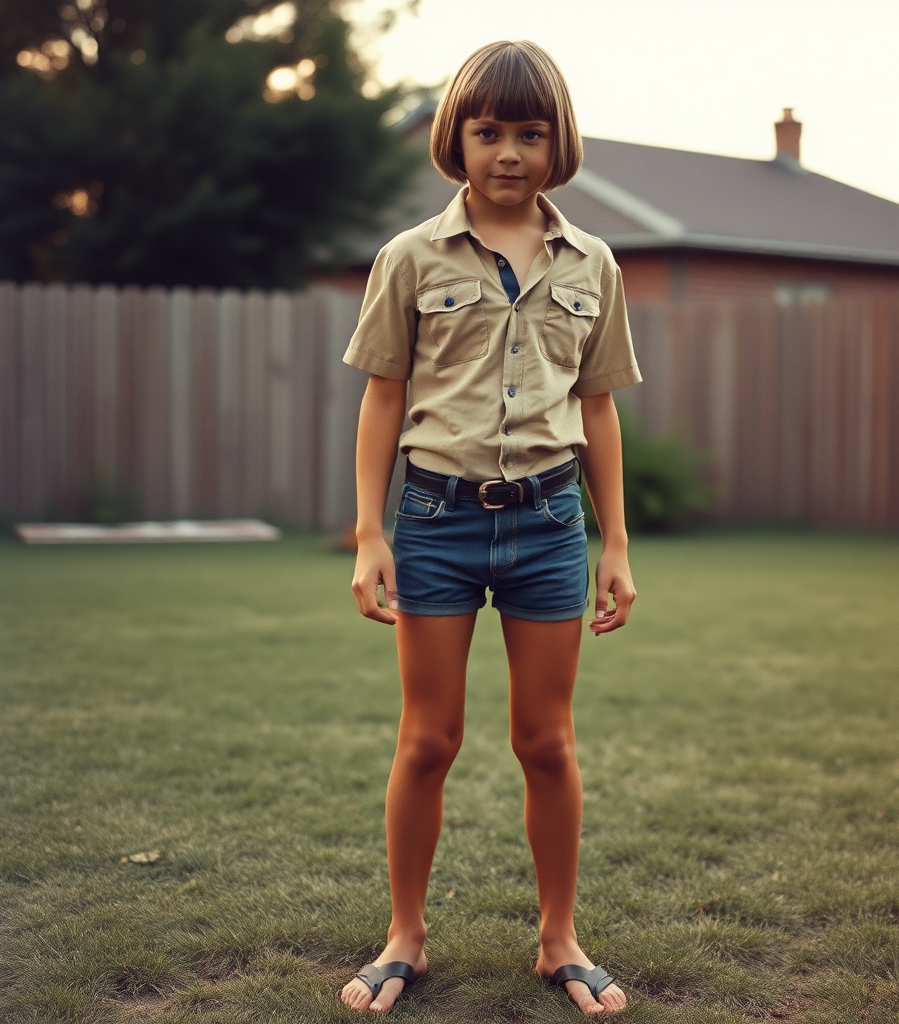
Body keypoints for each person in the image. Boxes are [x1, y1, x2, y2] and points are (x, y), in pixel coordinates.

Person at [338, 40, 641, 1017]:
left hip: (550, 522)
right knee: (426, 740)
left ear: (557, 143)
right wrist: (369, 532)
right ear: (456, 140)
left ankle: (558, 938)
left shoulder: (593, 263)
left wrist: (616, 546)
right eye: (488, 131)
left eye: (529, 131)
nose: (508, 151)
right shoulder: (409, 259)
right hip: (433, 516)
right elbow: (382, 400)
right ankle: (404, 936)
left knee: (545, 742)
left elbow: (598, 410)